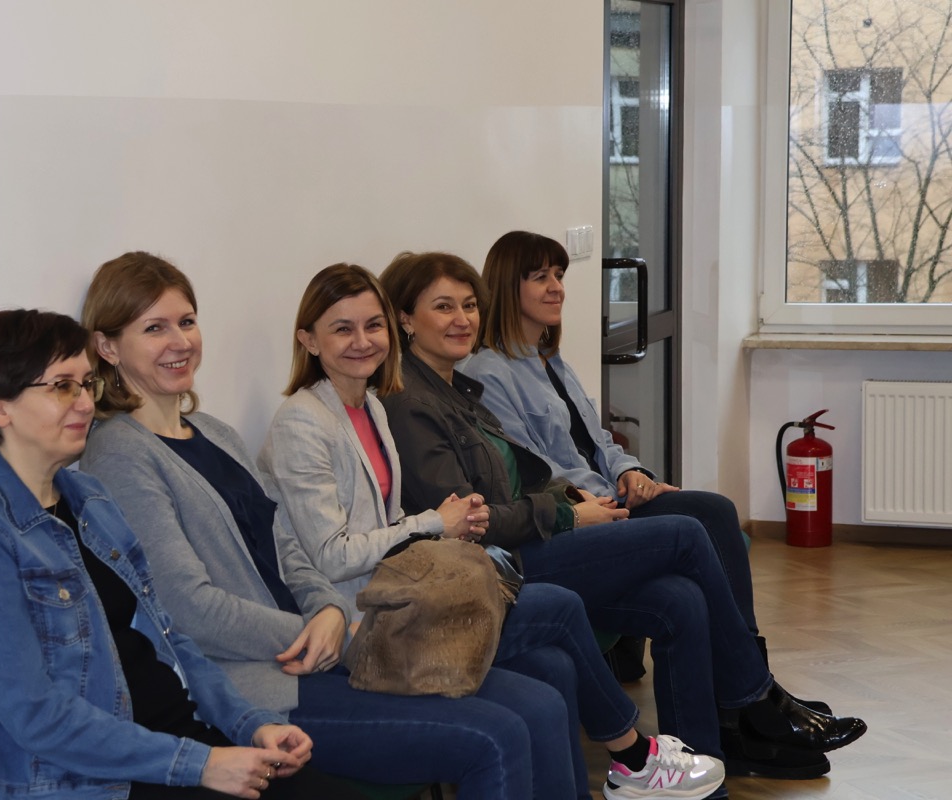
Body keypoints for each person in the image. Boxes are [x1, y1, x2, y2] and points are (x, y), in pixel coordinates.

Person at [77, 251, 576, 800]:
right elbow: (187, 607)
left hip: (322, 642)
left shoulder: (214, 433)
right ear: (107, 347)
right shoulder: (120, 453)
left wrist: (328, 611)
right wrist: (313, 629)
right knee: (496, 735)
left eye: (186, 321)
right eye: (154, 328)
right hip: (256, 682)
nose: (180, 341)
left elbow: (284, 544)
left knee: (537, 702)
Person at [376, 250, 868, 786]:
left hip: (536, 535)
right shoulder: (413, 403)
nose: (462, 319)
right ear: (406, 319)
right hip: (499, 567)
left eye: (469, 305)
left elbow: (541, 466)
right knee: (687, 531)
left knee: (680, 598)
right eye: (443, 307)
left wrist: (608, 484)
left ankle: (701, 771)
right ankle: (753, 698)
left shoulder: (456, 388)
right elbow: (472, 521)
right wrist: (569, 512)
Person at [257, 263, 724, 800]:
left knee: (553, 666)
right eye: (343, 329)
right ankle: (636, 756)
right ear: (308, 340)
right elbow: (332, 556)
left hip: (400, 595)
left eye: (372, 325)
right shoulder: (304, 421)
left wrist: (481, 517)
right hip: (362, 622)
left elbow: (390, 521)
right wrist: (437, 522)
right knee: (566, 602)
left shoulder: (369, 408)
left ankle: (630, 768)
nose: (363, 341)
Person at [0, 308, 362, 800]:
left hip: (174, 745)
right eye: (62, 387)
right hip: (85, 783)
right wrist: (200, 764)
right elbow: (37, 716)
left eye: (86, 384)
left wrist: (250, 724)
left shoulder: (89, 499)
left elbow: (170, 637)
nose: (85, 402)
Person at [464, 230, 765, 663]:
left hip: (614, 493)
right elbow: (535, 468)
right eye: (540, 277)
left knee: (716, 512)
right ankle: (749, 669)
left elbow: (597, 438)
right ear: (508, 286)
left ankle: (746, 666)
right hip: (587, 509)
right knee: (710, 518)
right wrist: (601, 495)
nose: (556, 287)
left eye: (559, 275)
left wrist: (630, 471)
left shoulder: (549, 358)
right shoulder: (489, 372)